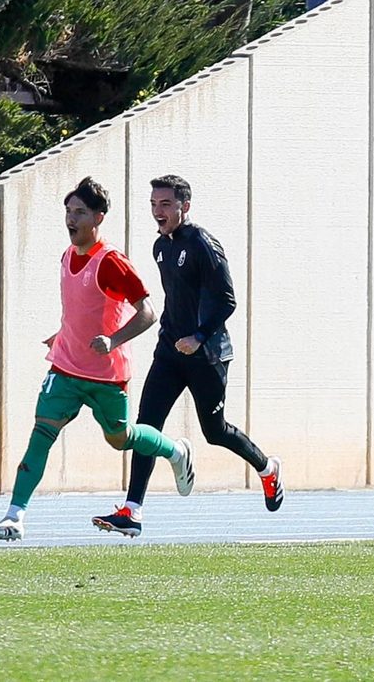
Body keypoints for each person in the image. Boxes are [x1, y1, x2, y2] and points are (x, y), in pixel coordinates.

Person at [0, 177, 194, 542]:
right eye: (68, 211)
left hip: (106, 375)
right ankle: (14, 517)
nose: (71, 218)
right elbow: (79, 311)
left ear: (98, 218)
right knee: (40, 436)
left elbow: (147, 312)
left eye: (79, 212)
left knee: (121, 438)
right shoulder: (67, 255)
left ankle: (175, 451)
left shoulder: (111, 262)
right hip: (64, 368)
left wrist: (112, 340)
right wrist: (63, 334)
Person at [94, 175, 283, 537]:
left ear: (185, 206)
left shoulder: (203, 245)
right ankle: (132, 511)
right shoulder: (159, 247)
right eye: (153, 204)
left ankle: (267, 467)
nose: (157, 211)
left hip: (207, 355)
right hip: (169, 352)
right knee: (146, 425)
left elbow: (228, 300)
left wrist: (198, 337)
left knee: (215, 432)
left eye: (165, 204)